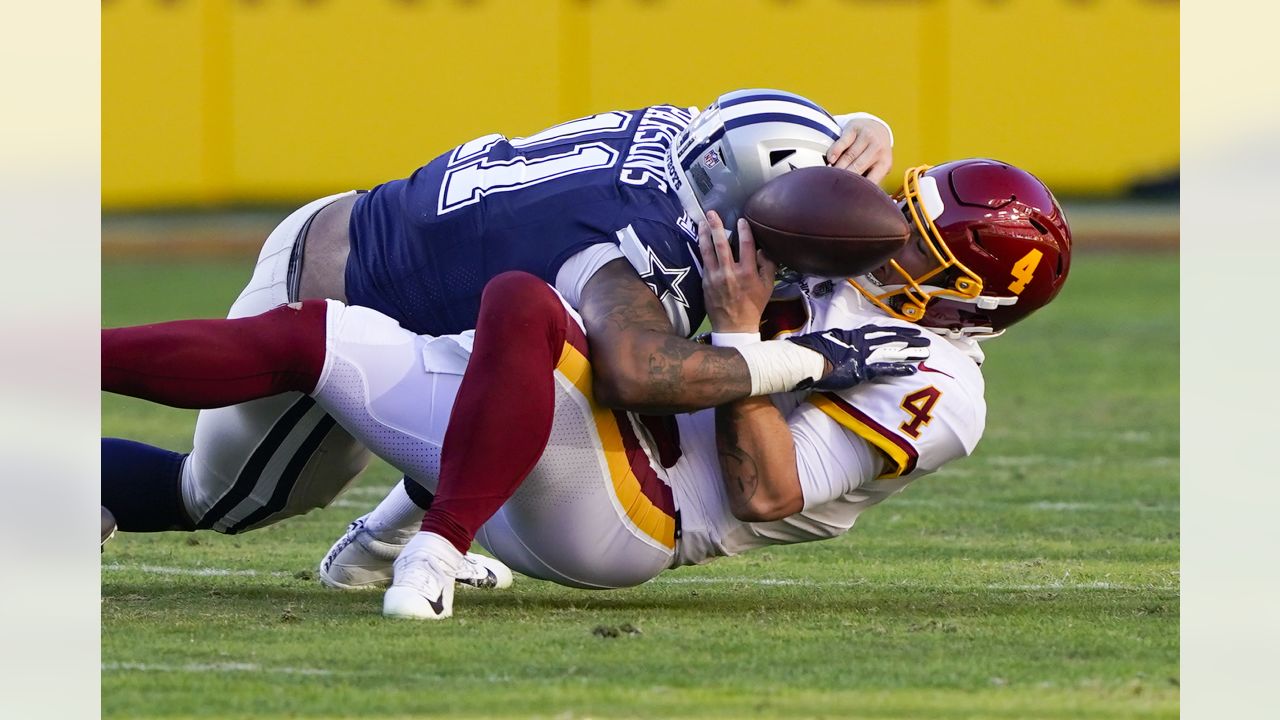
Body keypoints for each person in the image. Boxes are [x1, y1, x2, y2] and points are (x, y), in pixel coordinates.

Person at [102, 158, 1073, 620]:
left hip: (627, 520)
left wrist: (739, 335)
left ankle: (427, 555)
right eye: (898, 214)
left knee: (523, 309)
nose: (886, 237)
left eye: (918, 244)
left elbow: (764, 491)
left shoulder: (940, 385)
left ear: (968, 297)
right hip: (553, 446)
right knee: (310, 340)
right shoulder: (850, 265)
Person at [101, 89, 894, 561]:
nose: (793, 256)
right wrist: (802, 360)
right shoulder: (640, 248)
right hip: (342, 293)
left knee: (516, 383)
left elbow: (786, 134)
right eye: (789, 234)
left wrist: (868, 128)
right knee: (219, 498)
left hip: (358, 229)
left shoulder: (692, 131)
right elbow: (637, 373)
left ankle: (396, 541)